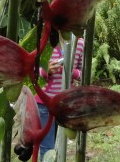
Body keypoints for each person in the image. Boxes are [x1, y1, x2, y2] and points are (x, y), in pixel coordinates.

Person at [35, 31, 84, 159]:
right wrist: (47, 71)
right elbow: (34, 69)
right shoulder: (45, 41)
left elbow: (83, 73)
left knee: (61, 146)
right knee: (47, 147)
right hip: (44, 103)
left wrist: (70, 71)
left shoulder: (79, 43)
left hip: (66, 104)